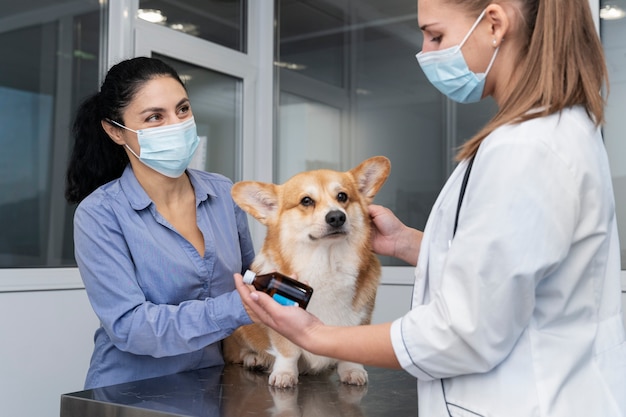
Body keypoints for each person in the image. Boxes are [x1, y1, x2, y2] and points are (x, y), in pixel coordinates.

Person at [234, 0, 626, 416]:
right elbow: (508, 272)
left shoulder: (526, 149)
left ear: (494, 24)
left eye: (435, 35)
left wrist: (316, 336)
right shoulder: (552, 132)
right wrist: (409, 244)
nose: (425, 50)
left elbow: (461, 331)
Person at [65, 57, 255, 389]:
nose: (176, 125)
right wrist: (240, 307)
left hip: (211, 384)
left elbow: (252, 276)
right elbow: (131, 327)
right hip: (130, 392)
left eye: (182, 110)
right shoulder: (100, 214)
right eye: (155, 117)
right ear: (115, 131)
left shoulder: (224, 193)